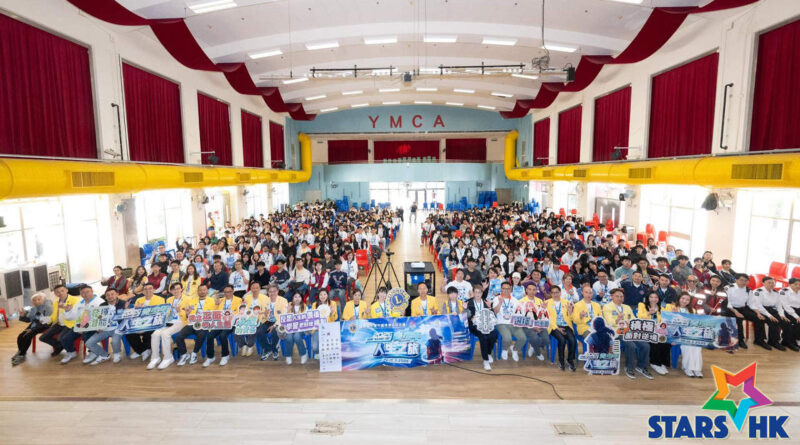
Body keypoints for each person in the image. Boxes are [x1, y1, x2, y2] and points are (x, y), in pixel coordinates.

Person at [603, 288, 653, 380]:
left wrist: (634, 325)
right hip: (617, 332)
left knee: (645, 345)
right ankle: (629, 367)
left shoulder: (627, 307)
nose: (619, 298)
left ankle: (641, 366)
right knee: (631, 345)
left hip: (630, 331)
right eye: (617, 296)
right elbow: (609, 322)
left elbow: (633, 320)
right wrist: (618, 319)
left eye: (621, 296)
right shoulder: (607, 307)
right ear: (612, 297)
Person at [147, 282, 190, 370]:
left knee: (165, 334)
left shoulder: (188, 299)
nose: (176, 291)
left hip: (181, 322)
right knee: (155, 334)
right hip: (169, 321)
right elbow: (165, 312)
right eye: (174, 289)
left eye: (178, 289)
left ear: (181, 289)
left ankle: (168, 357)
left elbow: (190, 313)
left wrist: (181, 311)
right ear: (171, 291)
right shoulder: (169, 299)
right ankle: (155, 357)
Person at [61, 285, 105, 364]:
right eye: (83, 293)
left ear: (92, 291)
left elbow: (102, 317)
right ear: (80, 294)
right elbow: (71, 317)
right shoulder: (79, 303)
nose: (85, 294)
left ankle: (93, 352)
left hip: (96, 326)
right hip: (82, 325)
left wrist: (84, 328)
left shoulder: (100, 302)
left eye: (87, 292)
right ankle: (71, 352)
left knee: (85, 336)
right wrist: (68, 311)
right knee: (65, 338)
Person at [84, 288, 127, 365]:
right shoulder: (102, 305)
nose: (110, 296)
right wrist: (98, 327)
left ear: (117, 294)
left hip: (118, 328)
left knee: (114, 341)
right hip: (104, 329)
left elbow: (128, 317)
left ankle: (117, 353)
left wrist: (127, 309)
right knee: (89, 343)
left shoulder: (123, 303)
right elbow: (98, 318)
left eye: (112, 294)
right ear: (106, 297)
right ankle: (104, 355)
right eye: (108, 295)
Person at [124, 283, 166, 362]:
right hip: (140, 323)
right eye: (145, 289)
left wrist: (145, 327)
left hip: (154, 323)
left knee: (149, 332)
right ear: (143, 291)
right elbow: (135, 315)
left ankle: (143, 350)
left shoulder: (160, 299)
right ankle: (142, 351)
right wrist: (132, 309)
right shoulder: (139, 300)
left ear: (154, 290)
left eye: (150, 288)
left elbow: (161, 314)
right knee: (129, 333)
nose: (148, 290)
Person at [174, 284, 214, 366]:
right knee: (179, 336)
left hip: (204, 323)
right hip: (192, 323)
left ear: (207, 291)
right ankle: (184, 354)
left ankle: (194, 353)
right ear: (197, 291)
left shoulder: (212, 301)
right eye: (200, 290)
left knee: (201, 335)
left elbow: (216, 314)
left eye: (204, 290)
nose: (202, 292)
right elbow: (188, 315)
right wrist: (187, 314)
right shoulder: (192, 301)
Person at [755, 276, 797, 351]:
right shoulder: (758, 292)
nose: (771, 284)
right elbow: (759, 306)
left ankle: (786, 341)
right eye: (769, 283)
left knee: (787, 322)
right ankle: (773, 342)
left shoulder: (775, 293)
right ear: (763, 283)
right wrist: (769, 316)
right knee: (774, 322)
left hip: (772, 310)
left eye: (773, 283)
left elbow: (779, 305)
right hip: (761, 311)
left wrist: (782, 315)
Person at [204, 285, 242, 367]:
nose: (227, 294)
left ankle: (225, 355)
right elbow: (214, 312)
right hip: (220, 323)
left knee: (222, 335)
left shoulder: (239, 300)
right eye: (225, 292)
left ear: (233, 291)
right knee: (210, 335)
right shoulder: (220, 300)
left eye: (229, 292)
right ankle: (210, 357)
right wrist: (216, 304)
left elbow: (239, 313)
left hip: (231, 323)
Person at [11, 292, 52, 366]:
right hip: (34, 324)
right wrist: (23, 316)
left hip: (44, 325)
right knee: (20, 336)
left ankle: (22, 355)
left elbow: (49, 319)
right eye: (34, 300)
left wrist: (33, 329)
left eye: (39, 299)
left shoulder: (48, 306)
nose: (36, 301)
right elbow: (29, 320)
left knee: (27, 336)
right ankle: (21, 352)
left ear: (43, 299)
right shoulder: (33, 309)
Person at [39, 285, 80, 357]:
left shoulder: (75, 300)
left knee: (60, 338)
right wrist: (46, 320)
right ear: (55, 294)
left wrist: (67, 309)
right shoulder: (56, 302)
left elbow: (77, 315)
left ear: (67, 290)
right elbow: (54, 315)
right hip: (58, 324)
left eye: (62, 291)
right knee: (42, 338)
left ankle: (71, 350)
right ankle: (59, 346)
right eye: (57, 292)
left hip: (69, 324)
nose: (60, 293)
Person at [669, 292, 704, 377]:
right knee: (688, 347)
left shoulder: (693, 310)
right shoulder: (671, 307)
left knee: (697, 347)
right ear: (679, 298)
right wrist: (673, 314)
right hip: (676, 335)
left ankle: (697, 369)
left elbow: (694, 324)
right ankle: (687, 368)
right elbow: (668, 324)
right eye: (683, 298)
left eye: (687, 300)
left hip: (689, 334)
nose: (684, 301)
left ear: (690, 301)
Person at [466, 283, 498, 371]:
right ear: (473, 293)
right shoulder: (468, 302)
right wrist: (469, 315)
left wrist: (490, 307)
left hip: (487, 324)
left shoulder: (485, 302)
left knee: (493, 335)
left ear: (482, 293)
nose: (477, 294)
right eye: (476, 292)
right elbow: (466, 316)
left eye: (479, 292)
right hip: (475, 326)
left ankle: (488, 353)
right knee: (483, 336)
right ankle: (485, 360)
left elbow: (491, 314)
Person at [637, 291, 671, 375]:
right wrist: (649, 313)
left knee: (666, 342)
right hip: (646, 330)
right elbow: (639, 317)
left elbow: (665, 319)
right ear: (648, 298)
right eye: (651, 297)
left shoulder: (661, 308)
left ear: (658, 299)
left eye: (656, 297)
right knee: (655, 341)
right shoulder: (642, 305)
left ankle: (662, 363)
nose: (653, 299)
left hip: (658, 330)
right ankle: (654, 363)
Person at [546, 285, 577, 371]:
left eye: (557, 292)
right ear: (550, 294)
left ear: (560, 293)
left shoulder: (566, 302)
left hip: (566, 325)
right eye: (553, 293)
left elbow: (572, 319)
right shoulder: (547, 303)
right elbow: (547, 318)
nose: (555, 294)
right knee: (562, 340)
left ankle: (570, 360)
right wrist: (556, 328)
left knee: (573, 340)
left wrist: (570, 312)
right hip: (553, 326)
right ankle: (561, 361)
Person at [493, 281, 525, 361]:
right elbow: (495, 312)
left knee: (523, 338)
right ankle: (504, 350)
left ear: (511, 289)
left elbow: (519, 313)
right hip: (501, 323)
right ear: (501, 289)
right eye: (504, 288)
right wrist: (500, 303)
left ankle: (515, 350)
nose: (506, 291)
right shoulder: (497, 298)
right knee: (507, 338)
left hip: (513, 323)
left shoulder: (515, 300)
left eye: (508, 289)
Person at [258, 284, 288, 361]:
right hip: (267, 321)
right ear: (268, 292)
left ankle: (274, 350)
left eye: (274, 291)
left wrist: (274, 325)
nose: (272, 293)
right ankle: (268, 349)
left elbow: (283, 316)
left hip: (279, 322)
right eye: (270, 291)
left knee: (275, 332)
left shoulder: (283, 301)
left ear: (277, 291)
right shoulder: (265, 300)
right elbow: (262, 314)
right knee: (259, 332)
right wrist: (264, 314)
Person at [519, 283, 548, 361]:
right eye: (530, 289)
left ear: (536, 291)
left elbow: (543, 316)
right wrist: (532, 326)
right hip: (526, 325)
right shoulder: (521, 301)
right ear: (526, 290)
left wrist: (544, 309)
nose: (532, 291)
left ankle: (533, 345)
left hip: (539, 324)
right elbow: (520, 318)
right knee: (535, 338)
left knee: (546, 339)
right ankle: (538, 352)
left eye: (534, 290)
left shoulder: (540, 301)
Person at [311, 289, 339, 358]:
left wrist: (332, 312)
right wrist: (316, 327)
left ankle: (327, 355)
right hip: (317, 328)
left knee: (330, 346)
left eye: (324, 294)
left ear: (327, 295)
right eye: (320, 295)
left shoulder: (332, 303)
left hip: (329, 328)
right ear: (318, 296)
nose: (322, 296)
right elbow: (312, 318)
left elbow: (335, 318)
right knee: (315, 348)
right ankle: (318, 353)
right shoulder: (314, 304)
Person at [284, 292, 309, 365]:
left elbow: (307, 319)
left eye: (299, 297)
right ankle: (288, 355)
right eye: (295, 297)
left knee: (297, 336)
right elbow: (284, 318)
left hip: (301, 328)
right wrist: (287, 310)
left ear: (301, 298)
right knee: (289, 337)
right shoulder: (289, 305)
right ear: (292, 298)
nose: (297, 298)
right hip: (290, 328)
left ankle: (303, 354)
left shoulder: (304, 306)